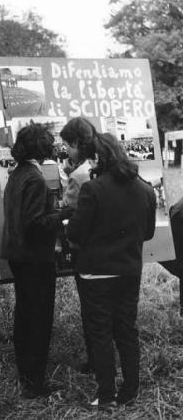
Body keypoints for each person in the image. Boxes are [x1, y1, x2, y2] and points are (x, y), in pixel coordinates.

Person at [66, 133, 156, 409]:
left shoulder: (93, 190)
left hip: (96, 272)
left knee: (101, 333)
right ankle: (130, 391)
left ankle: (106, 395)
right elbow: (149, 233)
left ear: (96, 158)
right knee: (127, 330)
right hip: (129, 270)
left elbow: (76, 233)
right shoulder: (146, 188)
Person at [0, 123, 73, 398]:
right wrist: (62, 215)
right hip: (34, 257)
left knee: (26, 314)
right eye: (49, 142)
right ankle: (35, 383)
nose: (53, 146)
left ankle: (27, 377)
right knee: (39, 318)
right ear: (41, 147)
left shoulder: (18, 174)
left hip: (19, 254)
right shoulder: (34, 178)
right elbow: (35, 224)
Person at [58, 117, 98, 375]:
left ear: (76, 144)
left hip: (87, 249)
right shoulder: (101, 165)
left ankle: (95, 359)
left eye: (67, 145)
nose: (66, 151)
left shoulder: (79, 175)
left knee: (91, 308)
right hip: (111, 248)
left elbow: (68, 206)